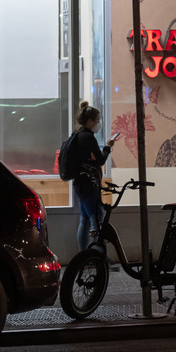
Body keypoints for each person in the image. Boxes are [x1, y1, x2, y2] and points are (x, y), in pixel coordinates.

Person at [70, 101, 116, 252]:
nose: (98, 123)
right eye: (97, 120)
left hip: (80, 184)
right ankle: (99, 255)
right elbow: (100, 159)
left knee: (84, 220)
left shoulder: (77, 135)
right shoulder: (88, 138)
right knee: (96, 220)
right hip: (90, 186)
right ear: (90, 121)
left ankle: (83, 254)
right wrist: (108, 147)